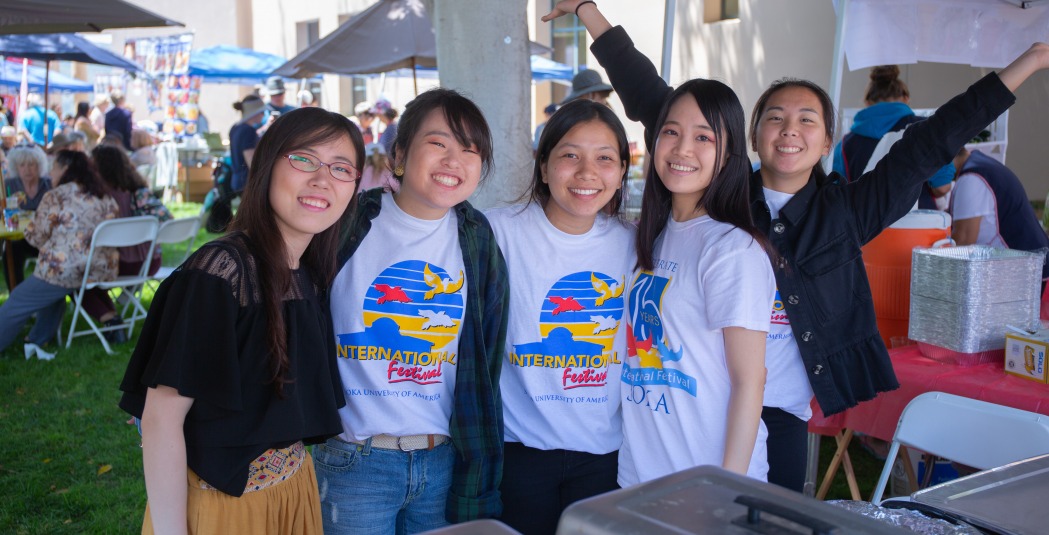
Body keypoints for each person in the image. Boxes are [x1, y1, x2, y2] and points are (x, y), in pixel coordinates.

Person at [552, 0, 1049, 492]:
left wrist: (1030, 59)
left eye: (807, 119)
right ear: (750, 135)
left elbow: (932, 142)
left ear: (828, 139)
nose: (790, 129)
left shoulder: (847, 213)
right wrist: (589, 12)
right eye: (775, 117)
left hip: (780, 408)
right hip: (694, 404)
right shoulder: (723, 204)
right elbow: (654, 100)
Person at [118, 107, 365, 533]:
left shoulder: (307, 274)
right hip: (225, 509)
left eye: (341, 168)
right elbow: (161, 420)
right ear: (267, 165)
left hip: (293, 495)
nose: (322, 179)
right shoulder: (220, 272)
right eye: (304, 159)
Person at [316, 88, 508, 533]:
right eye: (438, 143)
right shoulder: (345, 222)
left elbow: (486, 359)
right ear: (399, 154)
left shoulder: (478, 239)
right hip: (354, 460)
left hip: (443, 462)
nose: (453, 160)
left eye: (470, 149)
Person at [484, 99, 636, 534]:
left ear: (622, 170)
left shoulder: (637, 243)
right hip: (520, 454)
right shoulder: (498, 231)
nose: (587, 172)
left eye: (605, 158)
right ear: (544, 165)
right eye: (570, 155)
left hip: (606, 456)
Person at [0, 150, 118, 361]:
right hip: (99, 269)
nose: (51, 172)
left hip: (65, 269)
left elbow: (36, 238)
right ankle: (37, 339)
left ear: (64, 169)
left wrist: (27, 227)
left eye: (54, 167)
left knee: (19, 298)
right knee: (53, 294)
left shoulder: (56, 195)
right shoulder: (103, 194)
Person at [84, 145, 173, 344]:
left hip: (117, 265)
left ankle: (110, 318)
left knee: (74, 276)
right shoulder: (139, 192)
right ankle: (113, 319)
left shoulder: (97, 198)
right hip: (150, 262)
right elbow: (167, 218)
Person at [832, 65, 954, 210]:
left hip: (864, 227)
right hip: (916, 226)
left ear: (867, 102)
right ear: (906, 98)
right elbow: (942, 187)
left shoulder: (846, 144)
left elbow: (837, 193)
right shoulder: (924, 129)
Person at [949, 147, 1049, 281]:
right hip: (1028, 267)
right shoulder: (981, 164)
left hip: (1023, 275)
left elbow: (962, 243)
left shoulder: (971, 179)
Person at [3, 145, 54, 290]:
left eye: (31, 164)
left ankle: (52, 291)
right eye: (22, 165)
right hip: (20, 236)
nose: (27, 169)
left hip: (46, 237)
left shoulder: (48, 184)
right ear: (16, 167)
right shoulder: (9, 185)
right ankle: (16, 293)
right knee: (11, 251)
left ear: (39, 165)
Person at [229, 95, 266, 192]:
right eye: (262, 112)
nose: (263, 115)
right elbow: (251, 161)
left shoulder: (235, 127)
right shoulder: (248, 131)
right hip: (246, 182)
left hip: (237, 180)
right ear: (254, 112)